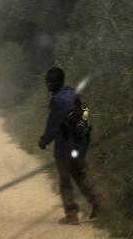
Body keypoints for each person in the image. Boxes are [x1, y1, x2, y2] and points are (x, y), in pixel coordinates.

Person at [38, 66, 101, 225]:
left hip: (65, 148)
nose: (47, 85)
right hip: (79, 145)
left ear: (52, 83)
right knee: (80, 176)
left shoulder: (57, 101)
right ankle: (97, 203)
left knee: (65, 181)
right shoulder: (73, 93)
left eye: (49, 82)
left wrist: (44, 141)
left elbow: (53, 125)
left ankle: (71, 215)